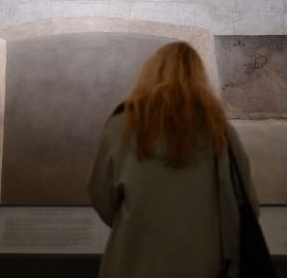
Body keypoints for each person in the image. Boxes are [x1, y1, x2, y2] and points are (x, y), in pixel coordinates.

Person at [88, 42, 258, 278]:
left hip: (133, 263)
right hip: (203, 265)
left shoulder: (121, 126)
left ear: (150, 73)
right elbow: (246, 203)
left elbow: (101, 198)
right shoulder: (220, 132)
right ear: (200, 78)